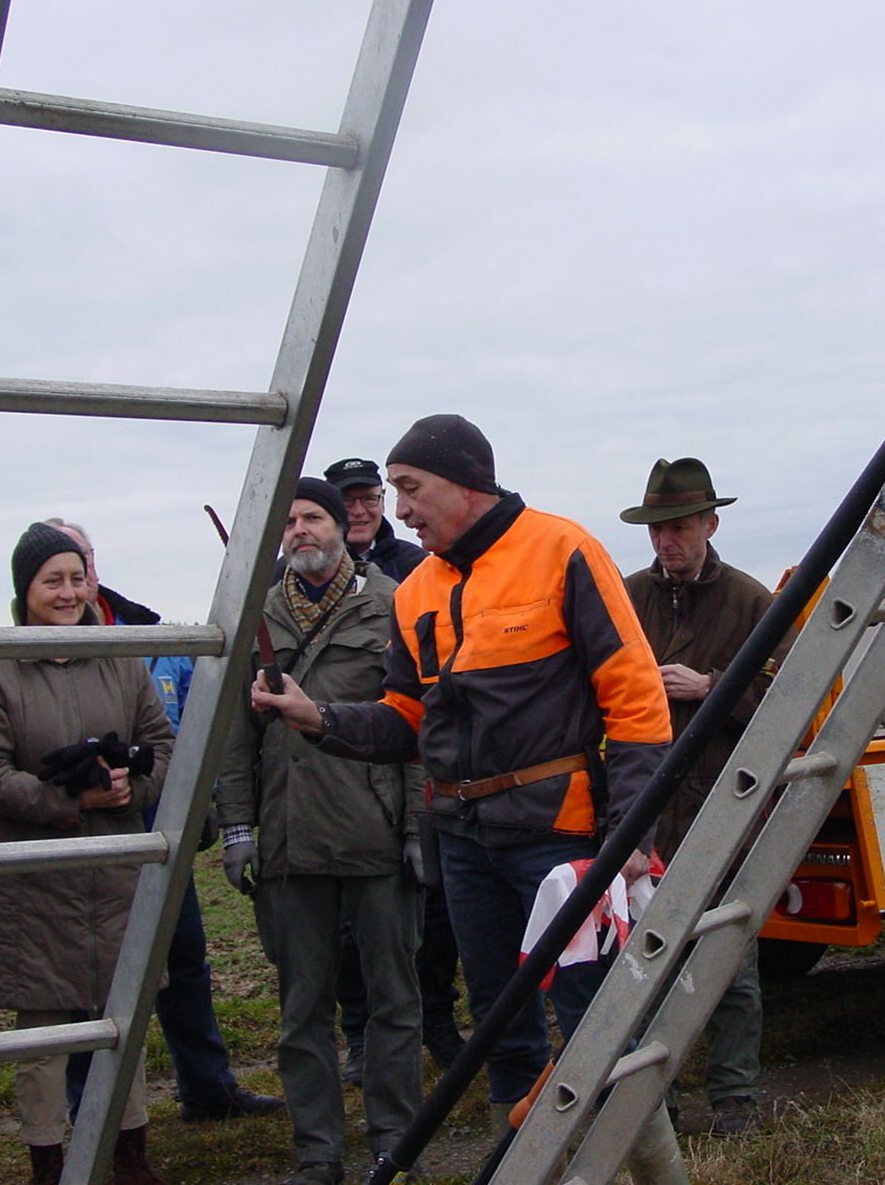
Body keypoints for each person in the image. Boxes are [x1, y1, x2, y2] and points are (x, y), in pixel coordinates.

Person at [252, 415, 688, 1185]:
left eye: (411, 490)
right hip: (464, 841)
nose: (401, 509)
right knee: (498, 1023)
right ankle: (530, 1170)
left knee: (594, 1019)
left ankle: (647, 1172)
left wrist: (625, 839)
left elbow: (636, 700)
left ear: (466, 483)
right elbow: (404, 720)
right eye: (397, 493)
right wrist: (314, 716)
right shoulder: (416, 589)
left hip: (561, 837)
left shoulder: (565, 551)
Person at [216, 479, 423, 1185]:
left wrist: (419, 826)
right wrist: (237, 825)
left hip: (377, 834)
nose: (299, 530)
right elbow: (232, 739)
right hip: (290, 838)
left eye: (312, 517)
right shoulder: (254, 616)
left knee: (394, 999)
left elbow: (420, 721)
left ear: (342, 528)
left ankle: (396, 1144)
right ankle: (319, 1154)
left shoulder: (395, 605)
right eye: (289, 520)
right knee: (303, 1007)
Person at [43, 519, 283, 1124]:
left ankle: (207, 1085)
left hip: (158, 828)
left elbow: (187, 733)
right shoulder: (21, 648)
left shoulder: (149, 636)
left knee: (185, 960)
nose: (76, 582)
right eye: (58, 573)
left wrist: (193, 804)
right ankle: (90, 1107)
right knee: (87, 977)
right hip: (77, 839)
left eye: (83, 563)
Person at [0, 523, 175, 1184]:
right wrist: (70, 800)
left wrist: (128, 783)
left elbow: (164, 748)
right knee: (43, 1040)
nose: (68, 592)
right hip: (37, 881)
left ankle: (129, 1154)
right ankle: (47, 1165)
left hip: (114, 872)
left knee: (124, 1025)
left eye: (77, 577)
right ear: (24, 589)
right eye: (52, 579)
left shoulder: (122, 656)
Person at [620, 457, 792, 1136]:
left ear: (711, 524)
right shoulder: (626, 597)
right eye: (659, 530)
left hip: (723, 812)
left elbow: (788, 702)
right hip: (644, 816)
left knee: (728, 965)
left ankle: (735, 1101)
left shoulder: (753, 602)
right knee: (642, 968)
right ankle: (650, 1103)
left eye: (681, 527)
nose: (668, 542)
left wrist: (710, 687)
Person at [320, 459, 464, 1079]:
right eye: (347, 500)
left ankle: (436, 1015)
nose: (361, 509)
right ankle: (359, 1032)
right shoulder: (295, 580)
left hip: (412, 766)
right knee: (350, 923)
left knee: (434, 908)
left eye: (369, 496)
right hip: (337, 770)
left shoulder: (415, 566)